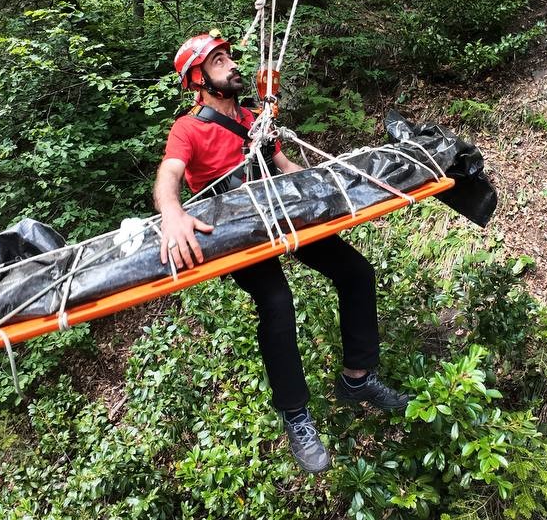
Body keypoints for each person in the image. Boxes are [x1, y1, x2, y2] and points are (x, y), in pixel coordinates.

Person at [155, 31, 410, 474]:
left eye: (229, 57)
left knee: (355, 273)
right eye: (218, 61)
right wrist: (173, 214)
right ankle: (296, 414)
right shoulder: (189, 128)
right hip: (237, 228)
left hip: (280, 210)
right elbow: (169, 175)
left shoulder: (255, 120)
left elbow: (286, 168)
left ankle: (357, 379)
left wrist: (327, 185)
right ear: (198, 79)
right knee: (276, 302)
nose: (232, 65)